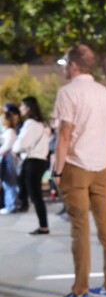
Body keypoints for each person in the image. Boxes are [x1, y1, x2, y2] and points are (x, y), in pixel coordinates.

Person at [50, 43, 106, 297]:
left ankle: (80, 293)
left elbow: (65, 134)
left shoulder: (68, 93)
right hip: (100, 167)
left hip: (75, 167)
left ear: (74, 65)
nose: (65, 69)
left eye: (66, 64)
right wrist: (103, 161)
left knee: (80, 230)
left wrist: (57, 170)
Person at [12, 96, 52, 235]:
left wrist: (15, 149)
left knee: (36, 196)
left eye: (22, 106)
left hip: (32, 161)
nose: (21, 108)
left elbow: (21, 143)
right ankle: (42, 225)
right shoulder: (42, 124)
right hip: (40, 161)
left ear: (28, 108)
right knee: (36, 195)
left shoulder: (30, 123)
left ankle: (43, 226)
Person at [0, 105, 19, 215]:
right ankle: (9, 204)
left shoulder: (10, 132)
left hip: (8, 158)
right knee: (7, 182)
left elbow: (6, 146)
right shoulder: (6, 131)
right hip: (5, 157)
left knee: (10, 182)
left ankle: (11, 205)